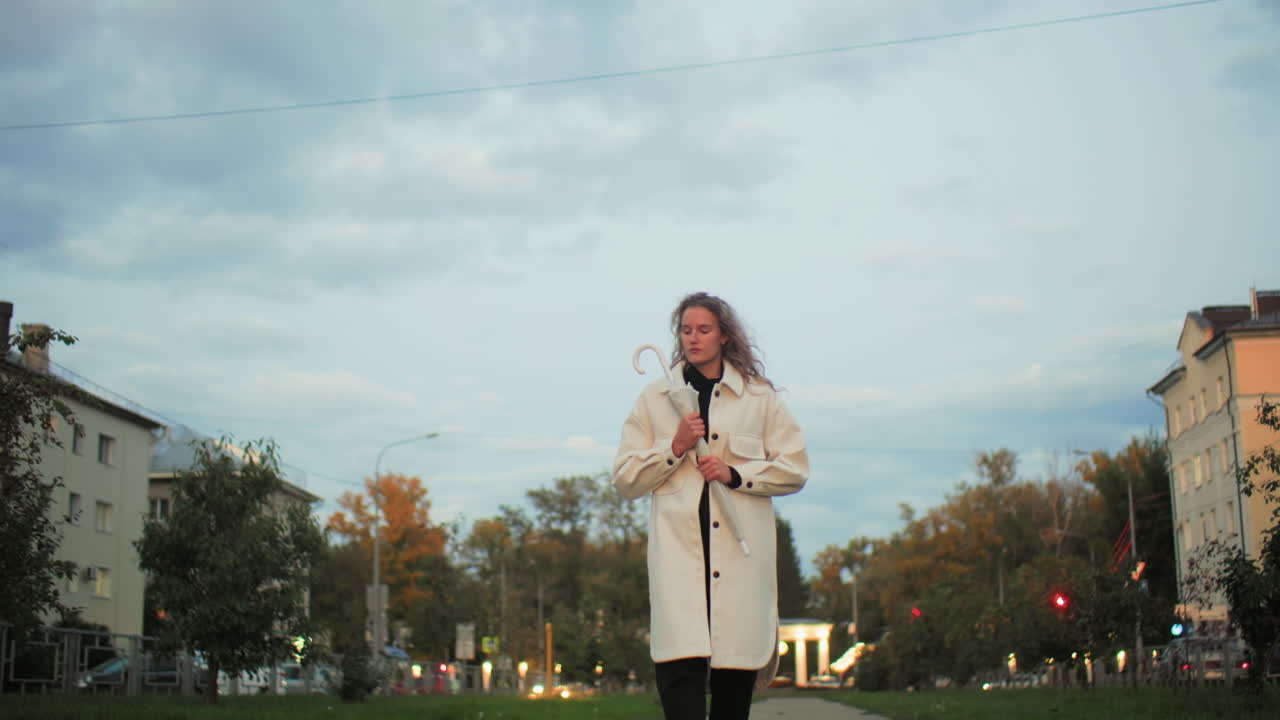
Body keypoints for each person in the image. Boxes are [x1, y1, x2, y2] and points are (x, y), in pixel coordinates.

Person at [613, 292, 808, 720]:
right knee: (679, 689)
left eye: (704, 330)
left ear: (724, 336)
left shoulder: (758, 398)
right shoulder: (654, 399)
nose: (694, 338)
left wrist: (735, 474)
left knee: (732, 698)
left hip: (740, 571)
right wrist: (674, 446)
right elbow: (625, 478)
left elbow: (794, 468)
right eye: (686, 330)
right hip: (678, 571)